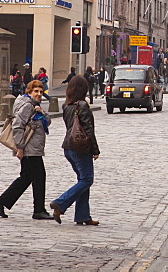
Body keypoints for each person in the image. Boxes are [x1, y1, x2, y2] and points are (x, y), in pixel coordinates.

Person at [0, 80, 54, 220]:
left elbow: (47, 122)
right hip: (29, 149)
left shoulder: (35, 106)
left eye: (40, 91)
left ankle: (0, 202)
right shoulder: (27, 106)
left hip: (32, 148)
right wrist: (20, 147)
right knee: (39, 177)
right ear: (29, 92)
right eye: (35, 91)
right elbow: (17, 126)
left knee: (26, 178)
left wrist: (42, 112)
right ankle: (39, 210)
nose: (38, 94)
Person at [50, 75, 100, 226]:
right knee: (87, 179)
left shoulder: (67, 106)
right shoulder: (82, 106)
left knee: (83, 180)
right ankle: (60, 203)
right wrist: (95, 149)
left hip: (69, 147)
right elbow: (88, 130)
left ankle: (82, 215)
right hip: (80, 148)